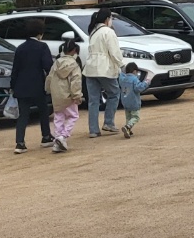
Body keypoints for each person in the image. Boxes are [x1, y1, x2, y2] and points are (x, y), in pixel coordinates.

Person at [8, 18, 54, 154]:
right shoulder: (42, 47)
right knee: (43, 111)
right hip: (38, 85)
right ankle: (46, 137)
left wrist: (12, 86)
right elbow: (48, 66)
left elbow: (15, 69)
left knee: (23, 115)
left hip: (21, 86)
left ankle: (20, 143)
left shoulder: (20, 48)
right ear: (40, 33)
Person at [82, 8, 123, 137]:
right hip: (104, 68)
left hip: (90, 68)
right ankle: (108, 122)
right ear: (107, 19)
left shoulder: (93, 31)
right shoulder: (108, 32)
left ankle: (93, 130)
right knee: (114, 93)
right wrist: (121, 65)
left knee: (93, 100)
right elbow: (114, 52)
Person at [45, 38, 84, 152]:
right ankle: (63, 136)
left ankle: (57, 140)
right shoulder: (74, 65)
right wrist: (77, 95)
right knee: (73, 116)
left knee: (58, 116)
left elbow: (49, 78)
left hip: (57, 94)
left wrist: (48, 90)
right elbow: (75, 82)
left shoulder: (56, 63)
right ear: (74, 50)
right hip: (68, 95)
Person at [116, 62, 149, 138]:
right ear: (134, 71)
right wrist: (146, 83)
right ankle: (128, 126)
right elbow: (138, 88)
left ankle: (128, 130)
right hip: (133, 102)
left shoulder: (122, 79)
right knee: (136, 117)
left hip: (125, 101)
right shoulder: (134, 79)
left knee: (128, 117)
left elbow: (120, 75)